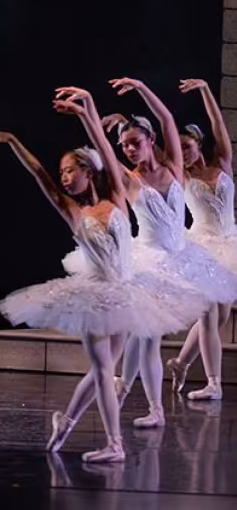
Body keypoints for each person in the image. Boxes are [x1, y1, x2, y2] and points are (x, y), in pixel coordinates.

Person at [0, 86, 211, 462]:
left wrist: (87, 106)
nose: (65, 178)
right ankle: (114, 445)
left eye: (70, 171)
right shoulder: (73, 212)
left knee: (101, 373)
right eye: (63, 173)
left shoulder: (118, 196)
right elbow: (40, 173)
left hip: (127, 293)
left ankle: (67, 421)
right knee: (105, 369)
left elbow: (105, 147)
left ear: (88, 173)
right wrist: (13, 141)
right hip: (93, 295)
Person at [99, 78, 237, 427]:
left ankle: (176, 368)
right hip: (178, 250)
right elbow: (128, 146)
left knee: (216, 318)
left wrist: (202, 90)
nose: (187, 152)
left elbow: (174, 125)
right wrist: (102, 116)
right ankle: (203, 385)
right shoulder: (167, 173)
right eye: (125, 145)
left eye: (190, 147)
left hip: (212, 249)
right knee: (165, 326)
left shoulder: (207, 164)